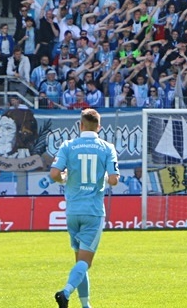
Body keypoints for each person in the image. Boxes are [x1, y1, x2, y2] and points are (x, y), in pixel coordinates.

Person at [50, 109, 120, 308]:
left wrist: (64, 178)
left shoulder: (68, 146)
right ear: (99, 127)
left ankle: (85, 305)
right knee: (85, 262)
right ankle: (65, 292)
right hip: (93, 211)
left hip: (72, 211)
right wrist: (104, 178)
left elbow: (54, 173)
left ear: (80, 125)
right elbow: (114, 180)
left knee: (79, 263)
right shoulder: (107, 147)